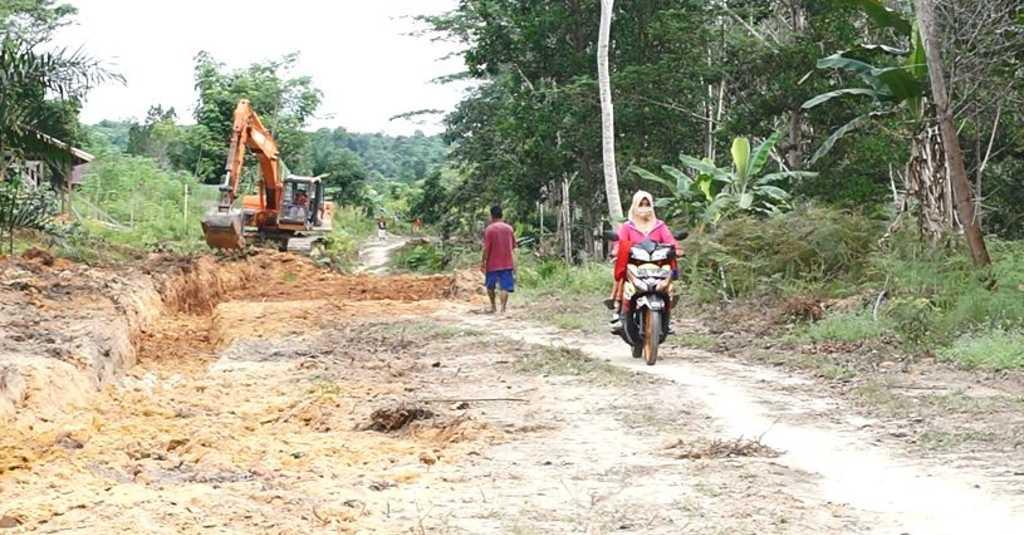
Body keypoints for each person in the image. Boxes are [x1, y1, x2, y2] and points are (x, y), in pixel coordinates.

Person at [609, 190, 680, 332]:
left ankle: (667, 318)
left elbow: (670, 241)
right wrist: (617, 250)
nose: (644, 207)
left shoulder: (659, 226)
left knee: (669, 278)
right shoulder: (628, 227)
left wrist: (677, 250)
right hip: (635, 263)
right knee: (623, 274)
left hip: (657, 265)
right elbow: (620, 242)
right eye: (641, 204)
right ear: (635, 206)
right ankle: (618, 310)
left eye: (647, 204)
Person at [482, 204, 516, 314]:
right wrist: (515, 264)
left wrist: (483, 261)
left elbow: (486, 248)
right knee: (504, 287)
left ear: (491, 216)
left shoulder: (489, 229)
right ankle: (503, 309)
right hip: (507, 262)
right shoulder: (509, 229)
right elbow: (513, 248)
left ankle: (493, 307)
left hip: (492, 263)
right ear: (502, 215)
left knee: (490, 286)